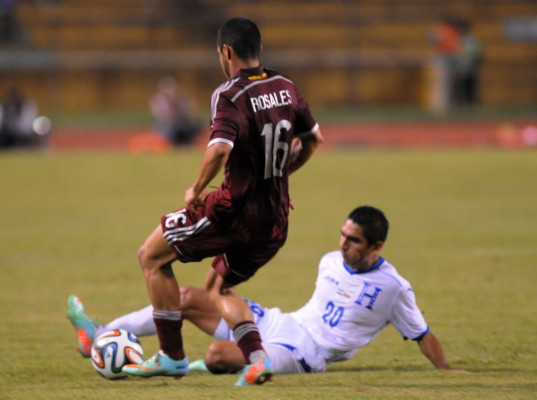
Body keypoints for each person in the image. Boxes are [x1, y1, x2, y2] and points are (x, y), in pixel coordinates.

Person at [99, 17, 322, 385]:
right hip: (276, 218)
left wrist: (195, 188)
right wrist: (280, 176)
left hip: (232, 212)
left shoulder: (229, 94)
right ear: (260, 50)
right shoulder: (286, 86)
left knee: (151, 256)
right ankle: (258, 358)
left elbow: (219, 149)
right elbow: (312, 140)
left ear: (226, 52)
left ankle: (172, 356)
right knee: (218, 287)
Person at [68, 206, 464, 379]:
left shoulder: (393, 288)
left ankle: (191, 366)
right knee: (187, 298)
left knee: (216, 355)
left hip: (306, 352)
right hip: (281, 321)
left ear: (376, 247)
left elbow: (421, 334)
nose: (343, 244)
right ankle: (98, 335)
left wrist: (446, 372)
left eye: (355, 241)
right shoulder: (329, 260)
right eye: (343, 235)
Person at [149, 76, 202, 146]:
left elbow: (191, 111)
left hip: (181, 124)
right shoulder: (159, 100)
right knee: (173, 127)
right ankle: (175, 143)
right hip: (166, 125)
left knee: (194, 124)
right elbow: (165, 115)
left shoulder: (180, 98)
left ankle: (187, 142)